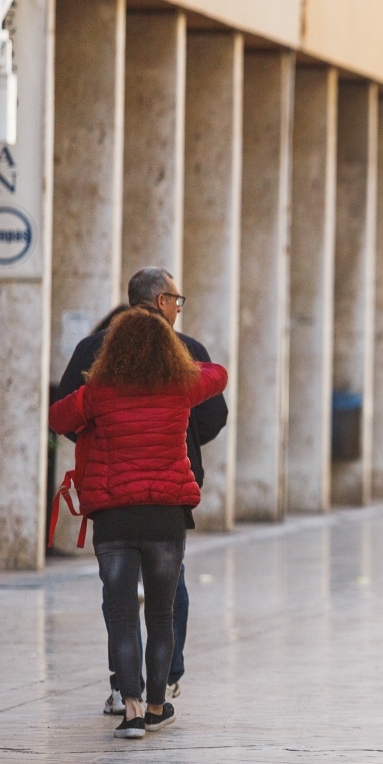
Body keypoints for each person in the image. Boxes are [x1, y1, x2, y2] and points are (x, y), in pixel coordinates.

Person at [54, 268, 228, 716]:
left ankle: (126, 699)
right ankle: (161, 692)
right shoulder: (184, 370)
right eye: (175, 299)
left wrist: (103, 436)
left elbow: (60, 417)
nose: (177, 307)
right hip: (166, 504)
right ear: (162, 301)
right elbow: (217, 391)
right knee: (165, 605)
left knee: (120, 607)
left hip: (112, 503)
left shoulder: (97, 375)